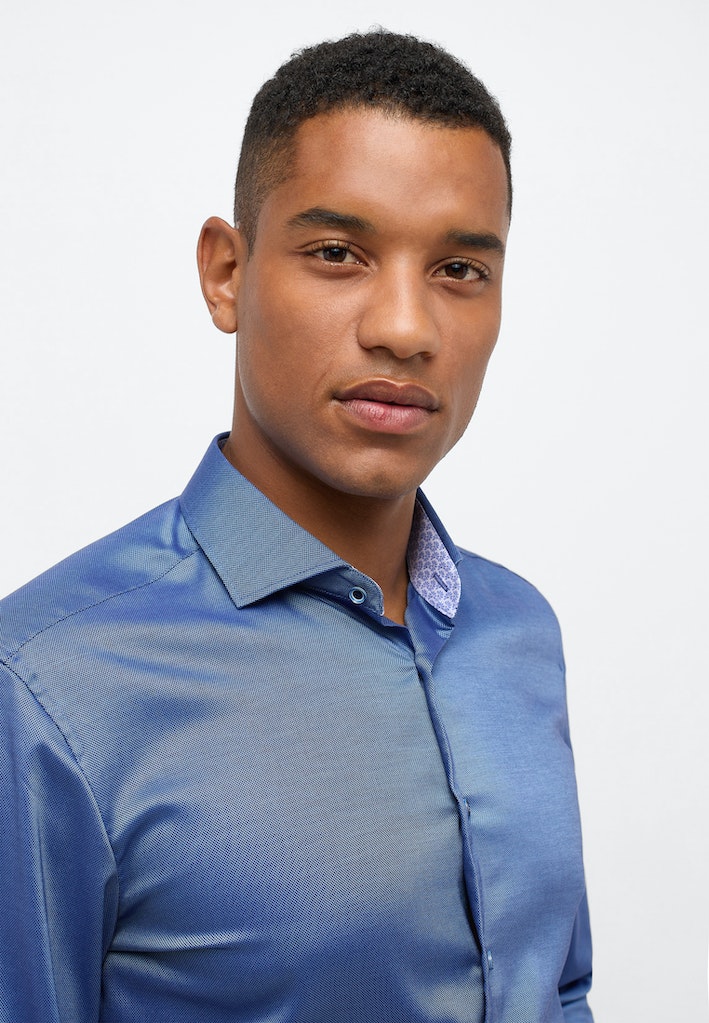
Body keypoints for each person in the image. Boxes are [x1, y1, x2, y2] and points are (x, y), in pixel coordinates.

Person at [0, 30, 593, 1023]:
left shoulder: (517, 631)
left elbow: (558, 990)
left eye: (458, 269)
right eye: (336, 254)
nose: (404, 328)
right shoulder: (46, 688)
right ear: (225, 273)